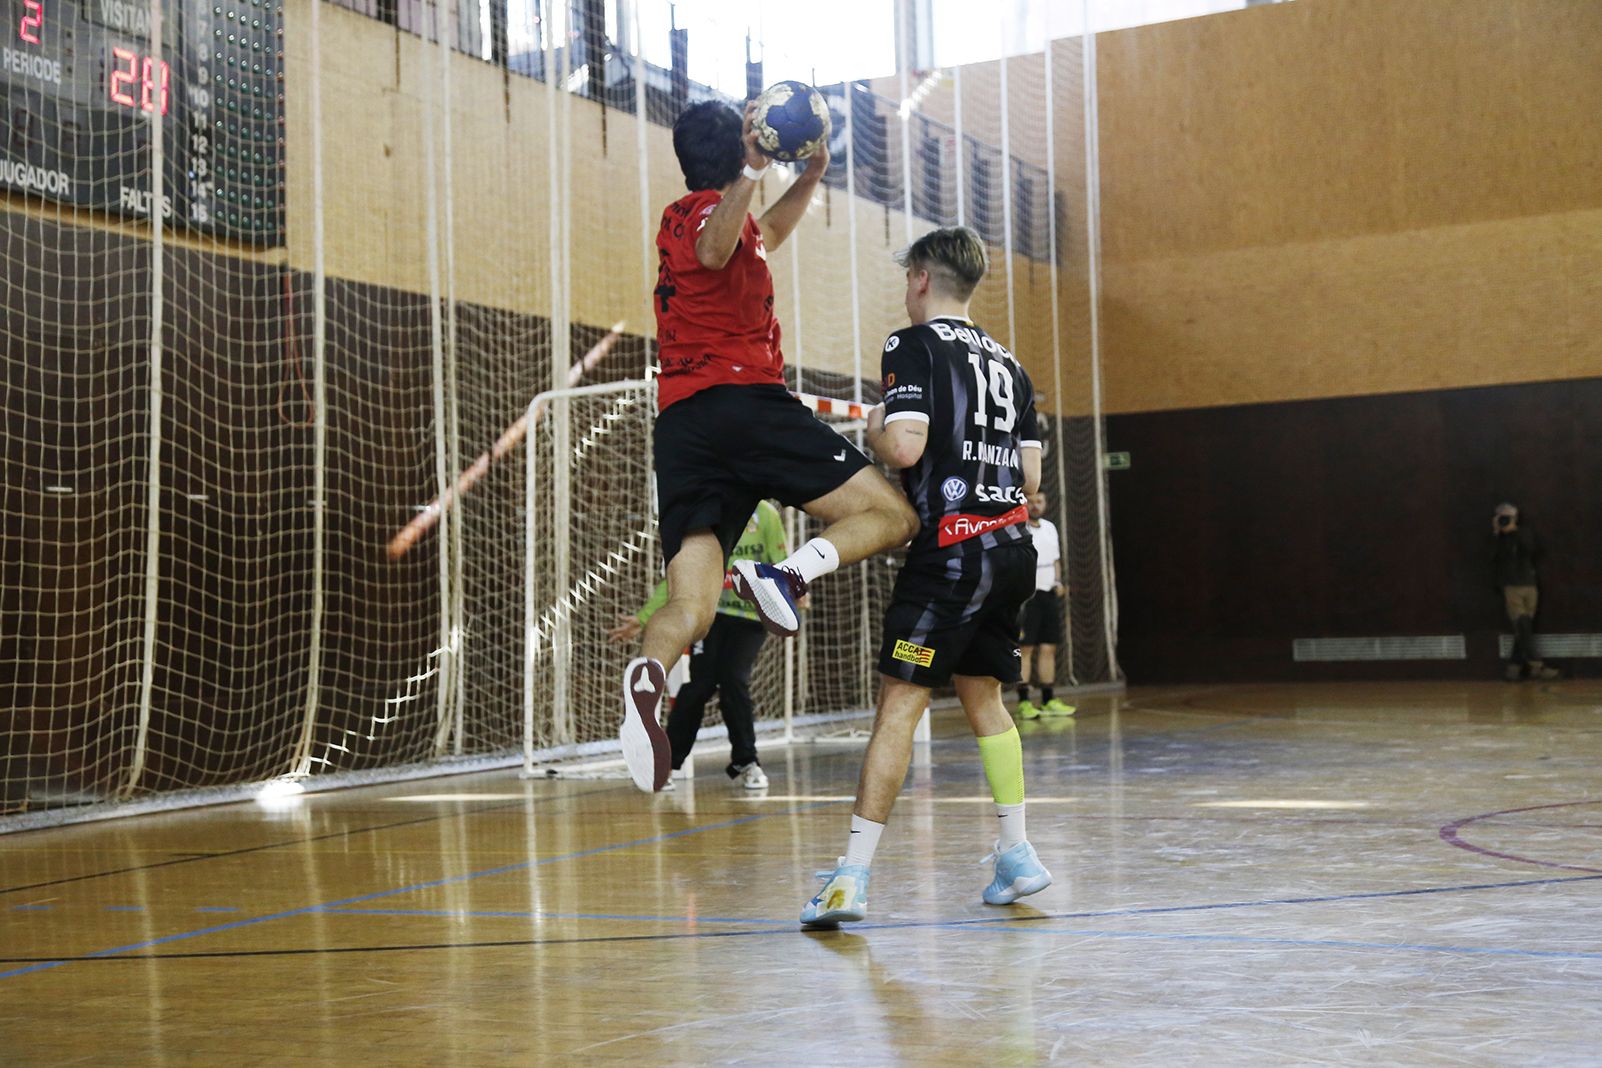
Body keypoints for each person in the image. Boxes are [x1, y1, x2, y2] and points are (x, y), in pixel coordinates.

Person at [620, 100, 919, 793]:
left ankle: (648, 676)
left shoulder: (690, 218)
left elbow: (765, 232)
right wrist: (756, 170)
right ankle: (786, 576)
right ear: (740, 150)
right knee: (894, 515)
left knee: (690, 608)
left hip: (683, 426)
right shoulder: (706, 217)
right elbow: (716, 246)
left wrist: (809, 175)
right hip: (743, 403)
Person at [800, 226, 1051, 928]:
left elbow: (905, 447)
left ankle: (850, 878)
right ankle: (1017, 853)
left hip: (952, 555)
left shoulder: (911, 345)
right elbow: (1031, 478)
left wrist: (875, 428)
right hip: (1012, 551)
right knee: (985, 697)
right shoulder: (1012, 365)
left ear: (918, 278)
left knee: (899, 707)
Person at [609, 502, 792, 790]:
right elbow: (681, 579)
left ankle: (747, 761)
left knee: (733, 679)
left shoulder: (765, 514)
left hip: (750, 618)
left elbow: (780, 562)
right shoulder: (708, 512)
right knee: (699, 685)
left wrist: (790, 595)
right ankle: (665, 766)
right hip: (712, 616)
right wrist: (644, 618)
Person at [1015, 489, 1075, 719]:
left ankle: (1048, 699)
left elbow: (1055, 560)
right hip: (1027, 598)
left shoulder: (1050, 528)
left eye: (1039, 501)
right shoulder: (1019, 529)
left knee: (1049, 646)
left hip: (1048, 596)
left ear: (1046, 503)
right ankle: (1024, 701)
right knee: (1026, 648)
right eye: (1031, 501)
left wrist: (1058, 582)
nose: (1035, 505)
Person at [1492, 503, 1559, 681]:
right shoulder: (1498, 539)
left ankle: (1513, 668)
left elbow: (1531, 550)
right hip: (1511, 587)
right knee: (1522, 625)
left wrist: (1514, 532)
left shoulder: (1524, 533)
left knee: (1524, 629)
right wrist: (1497, 533)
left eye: (1508, 516)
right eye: (1501, 516)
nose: (1505, 519)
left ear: (1515, 518)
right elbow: (1493, 558)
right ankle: (1537, 666)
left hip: (1529, 585)